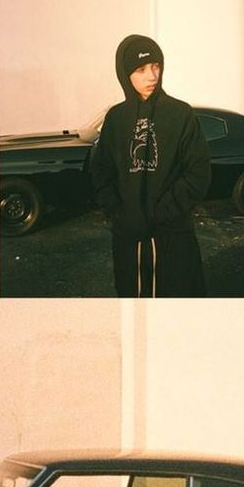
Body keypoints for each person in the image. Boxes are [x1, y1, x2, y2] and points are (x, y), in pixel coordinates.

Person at [90, 33, 211, 299]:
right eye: (141, 69)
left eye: (156, 66)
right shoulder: (117, 118)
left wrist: (159, 214)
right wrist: (119, 213)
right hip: (127, 238)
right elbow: (101, 171)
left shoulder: (181, 114)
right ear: (125, 74)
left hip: (173, 236)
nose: (152, 76)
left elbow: (198, 174)